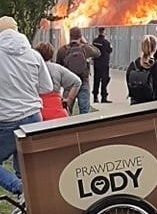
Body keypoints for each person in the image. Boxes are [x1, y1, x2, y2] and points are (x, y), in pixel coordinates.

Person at [0, 16, 53, 200]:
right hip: (33, 117)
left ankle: (18, 188)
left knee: (20, 174)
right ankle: (24, 211)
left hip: (6, 120)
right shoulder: (33, 54)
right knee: (25, 167)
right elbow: (46, 87)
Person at [56, 27, 100, 114]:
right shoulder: (85, 49)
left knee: (66, 109)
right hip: (83, 81)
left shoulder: (63, 50)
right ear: (80, 37)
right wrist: (86, 43)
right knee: (84, 110)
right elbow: (98, 52)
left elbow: (58, 66)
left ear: (70, 36)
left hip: (69, 83)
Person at [36, 42, 81, 120]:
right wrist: (69, 99)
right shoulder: (58, 68)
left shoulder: (34, 69)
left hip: (40, 110)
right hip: (58, 110)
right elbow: (77, 82)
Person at [126, 34, 157, 103]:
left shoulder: (133, 65)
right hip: (155, 105)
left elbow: (129, 85)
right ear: (155, 48)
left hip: (136, 105)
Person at [92, 27, 113, 103]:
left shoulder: (94, 41)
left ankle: (95, 97)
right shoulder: (106, 42)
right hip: (104, 64)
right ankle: (103, 97)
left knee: (96, 80)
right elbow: (110, 50)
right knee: (104, 80)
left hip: (96, 63)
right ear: (104, 32)